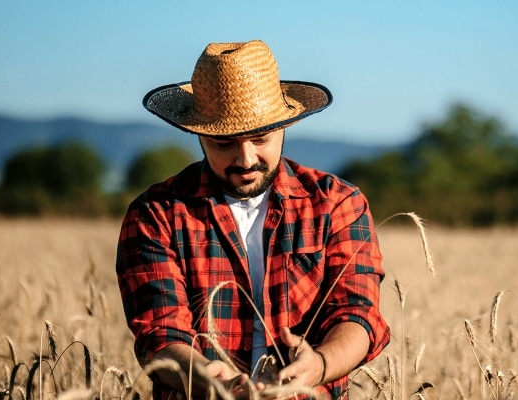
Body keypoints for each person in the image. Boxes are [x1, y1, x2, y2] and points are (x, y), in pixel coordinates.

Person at [116, 40, 390, 399]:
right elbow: (160, 332)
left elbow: (357, 314)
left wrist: (319, 365)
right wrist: (215, 383)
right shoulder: (157, 214)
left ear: (284, 125)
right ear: (199, 133)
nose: (246, 159)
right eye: (225, 143)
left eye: (261, 138)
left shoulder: (337, 204)